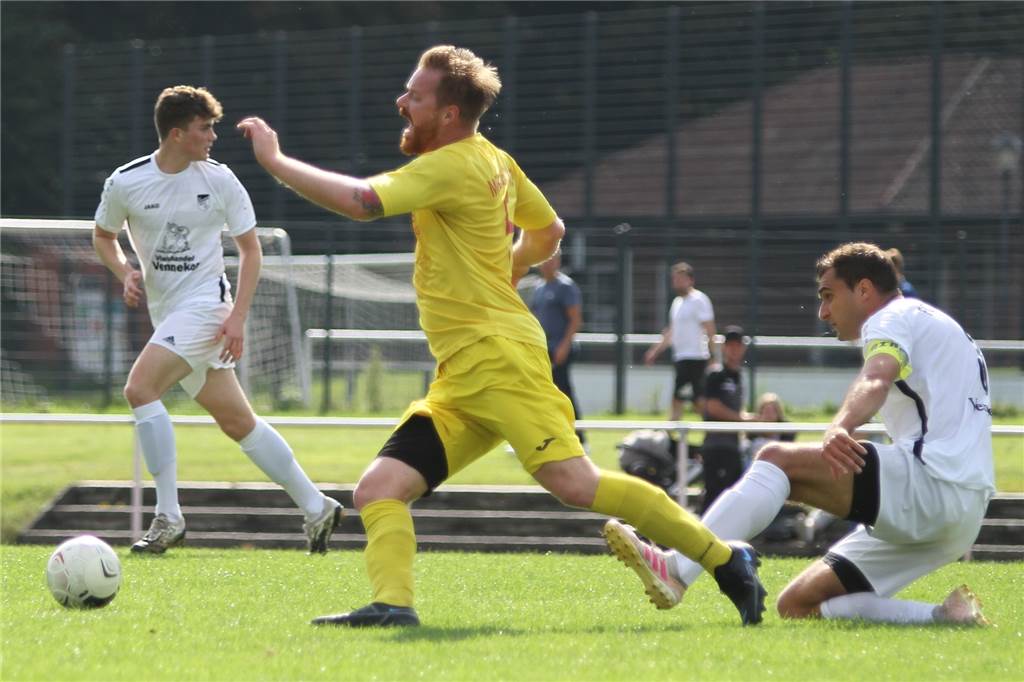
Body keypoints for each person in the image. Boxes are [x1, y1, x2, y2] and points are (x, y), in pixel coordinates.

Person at [238, 45, 765, 628]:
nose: (402, 102)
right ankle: (393, 606)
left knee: (574, 483)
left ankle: (725, 558)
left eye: (415, 95)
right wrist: (509, 268)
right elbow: (550, 231)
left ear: (447, 114)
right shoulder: (494, 158)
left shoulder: (451, 164)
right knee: (380, 488)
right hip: (466, 372)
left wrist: (276, 160)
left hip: (498, 358)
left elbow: (364, 202)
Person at [604, 242, 994, 625]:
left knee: (777, 460)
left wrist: (840, 424)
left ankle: (677, 568)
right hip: (963, 514)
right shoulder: (937, 322)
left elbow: (876, 377)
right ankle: (945, 617)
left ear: (863, 289)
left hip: (933, 484)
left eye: (828, 295)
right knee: (798, 604)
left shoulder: (890, 318)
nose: (823, 311)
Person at [92, 85, 342, 556]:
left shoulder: (220, 179)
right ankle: (316, 505)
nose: (212, 137)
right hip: (169, 313)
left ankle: (168, 518)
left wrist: (237, 318)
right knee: (237, 422)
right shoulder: (127, 181)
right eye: (205, 128)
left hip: (208, 308)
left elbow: (251, 250)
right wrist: (124, 269)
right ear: (176, 133)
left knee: (139, 389)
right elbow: (103, 236)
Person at [644, 263, 716, 421]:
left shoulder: (699, 300)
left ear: (691, 280)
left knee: (697, 400)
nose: (677, 282)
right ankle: (671, 434)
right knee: (680, 397)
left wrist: (713, 357)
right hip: (681, 357)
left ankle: (714, 427)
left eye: (681, 279)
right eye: (675, 279)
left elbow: (710, 329)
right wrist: (655, 351)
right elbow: (672, 331)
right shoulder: (677, 303)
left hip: (697, 357)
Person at [529, 250, 586, 447]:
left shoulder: (566, 286)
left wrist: (564, 346)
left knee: (564, 392)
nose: (548, 263)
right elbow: (535, 317)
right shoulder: (539, 287)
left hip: (561, 348)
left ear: (559, 261)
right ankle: (546, 437)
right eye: (545, 259)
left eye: (552, 259)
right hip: (544, 349)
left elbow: (575, 319)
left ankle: (580, 438)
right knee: (542, 394)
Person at [699, 325, 754, 513]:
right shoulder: (716, 374)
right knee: (713, 495)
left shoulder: (738, 376)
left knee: (732, 495)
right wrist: (743, 420)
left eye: (737, 346)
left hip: (732, 445)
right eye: (730, 346)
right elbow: (712, 406)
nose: (734, 350)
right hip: (716, 445)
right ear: (724, 348)